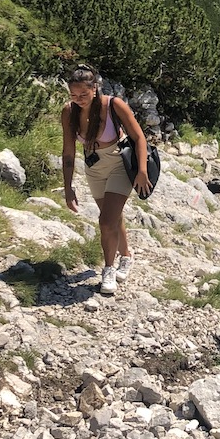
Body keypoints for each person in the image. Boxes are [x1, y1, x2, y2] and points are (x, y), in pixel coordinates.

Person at [61, 64, 152, 296]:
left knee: (105, 221)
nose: (78, 99)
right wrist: (68, 187)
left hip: (119, 164)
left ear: (95, 88)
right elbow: (68, 152)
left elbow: (138, 136)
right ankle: (127, 255)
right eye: (74, 94)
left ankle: (108, 270)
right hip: (94, 169)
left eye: (83, 94)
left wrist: (141, 171)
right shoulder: (69, 112)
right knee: (112, 217)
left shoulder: (113, 105)